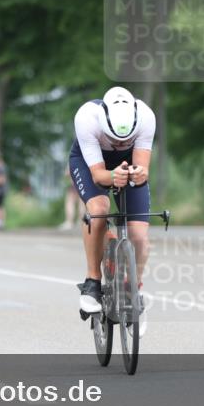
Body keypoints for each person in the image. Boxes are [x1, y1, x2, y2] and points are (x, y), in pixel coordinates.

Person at [69, 86, 155, 315]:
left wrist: (140, 173)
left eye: (123, 140)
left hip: (129, 161)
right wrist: (114, 176)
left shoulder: (146, 116)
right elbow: (98, 176)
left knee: (140, 238)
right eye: (113, 138)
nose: (118, 143)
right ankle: (92, 282)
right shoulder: (86, 118)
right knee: (99, 210)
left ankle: (132, 290)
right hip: (91, 163)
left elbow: (143, 167)